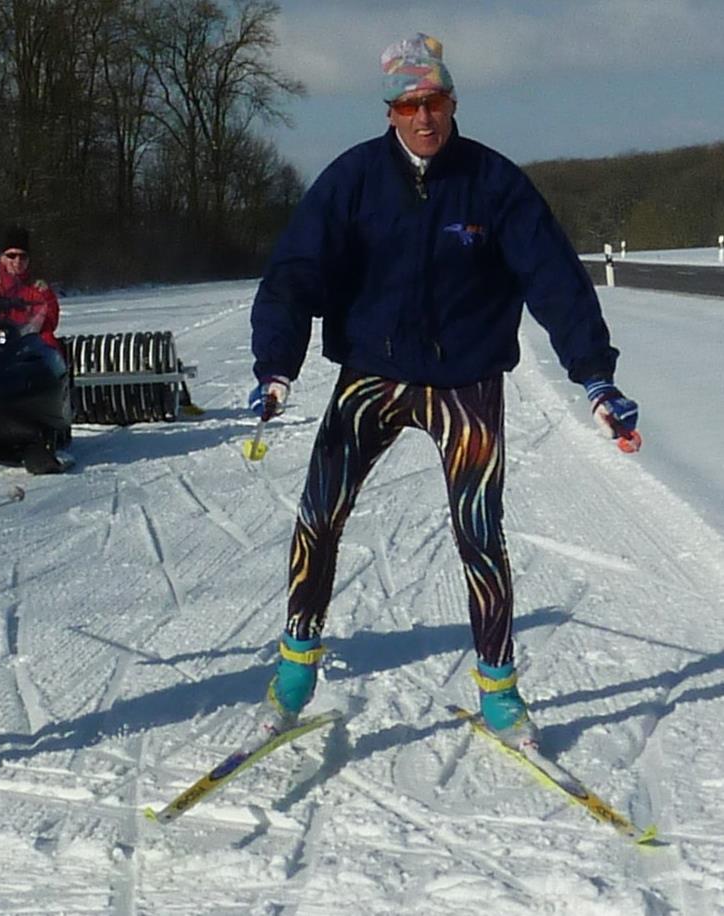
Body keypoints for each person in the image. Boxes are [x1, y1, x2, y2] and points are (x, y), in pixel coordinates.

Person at [247, 34, 640, 750]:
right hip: (372, 372)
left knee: (480, 535)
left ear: (453, 102)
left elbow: (553, 277)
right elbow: (297, 269)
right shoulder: (355, 178)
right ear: (390, 112)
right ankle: (295, 673)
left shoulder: (494, 183)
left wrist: (595, 374)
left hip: (465, 380)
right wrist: (276, 365)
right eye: (408, 105)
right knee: (318, 516)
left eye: (433, 102)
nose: (423, 117)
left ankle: (500, 692)